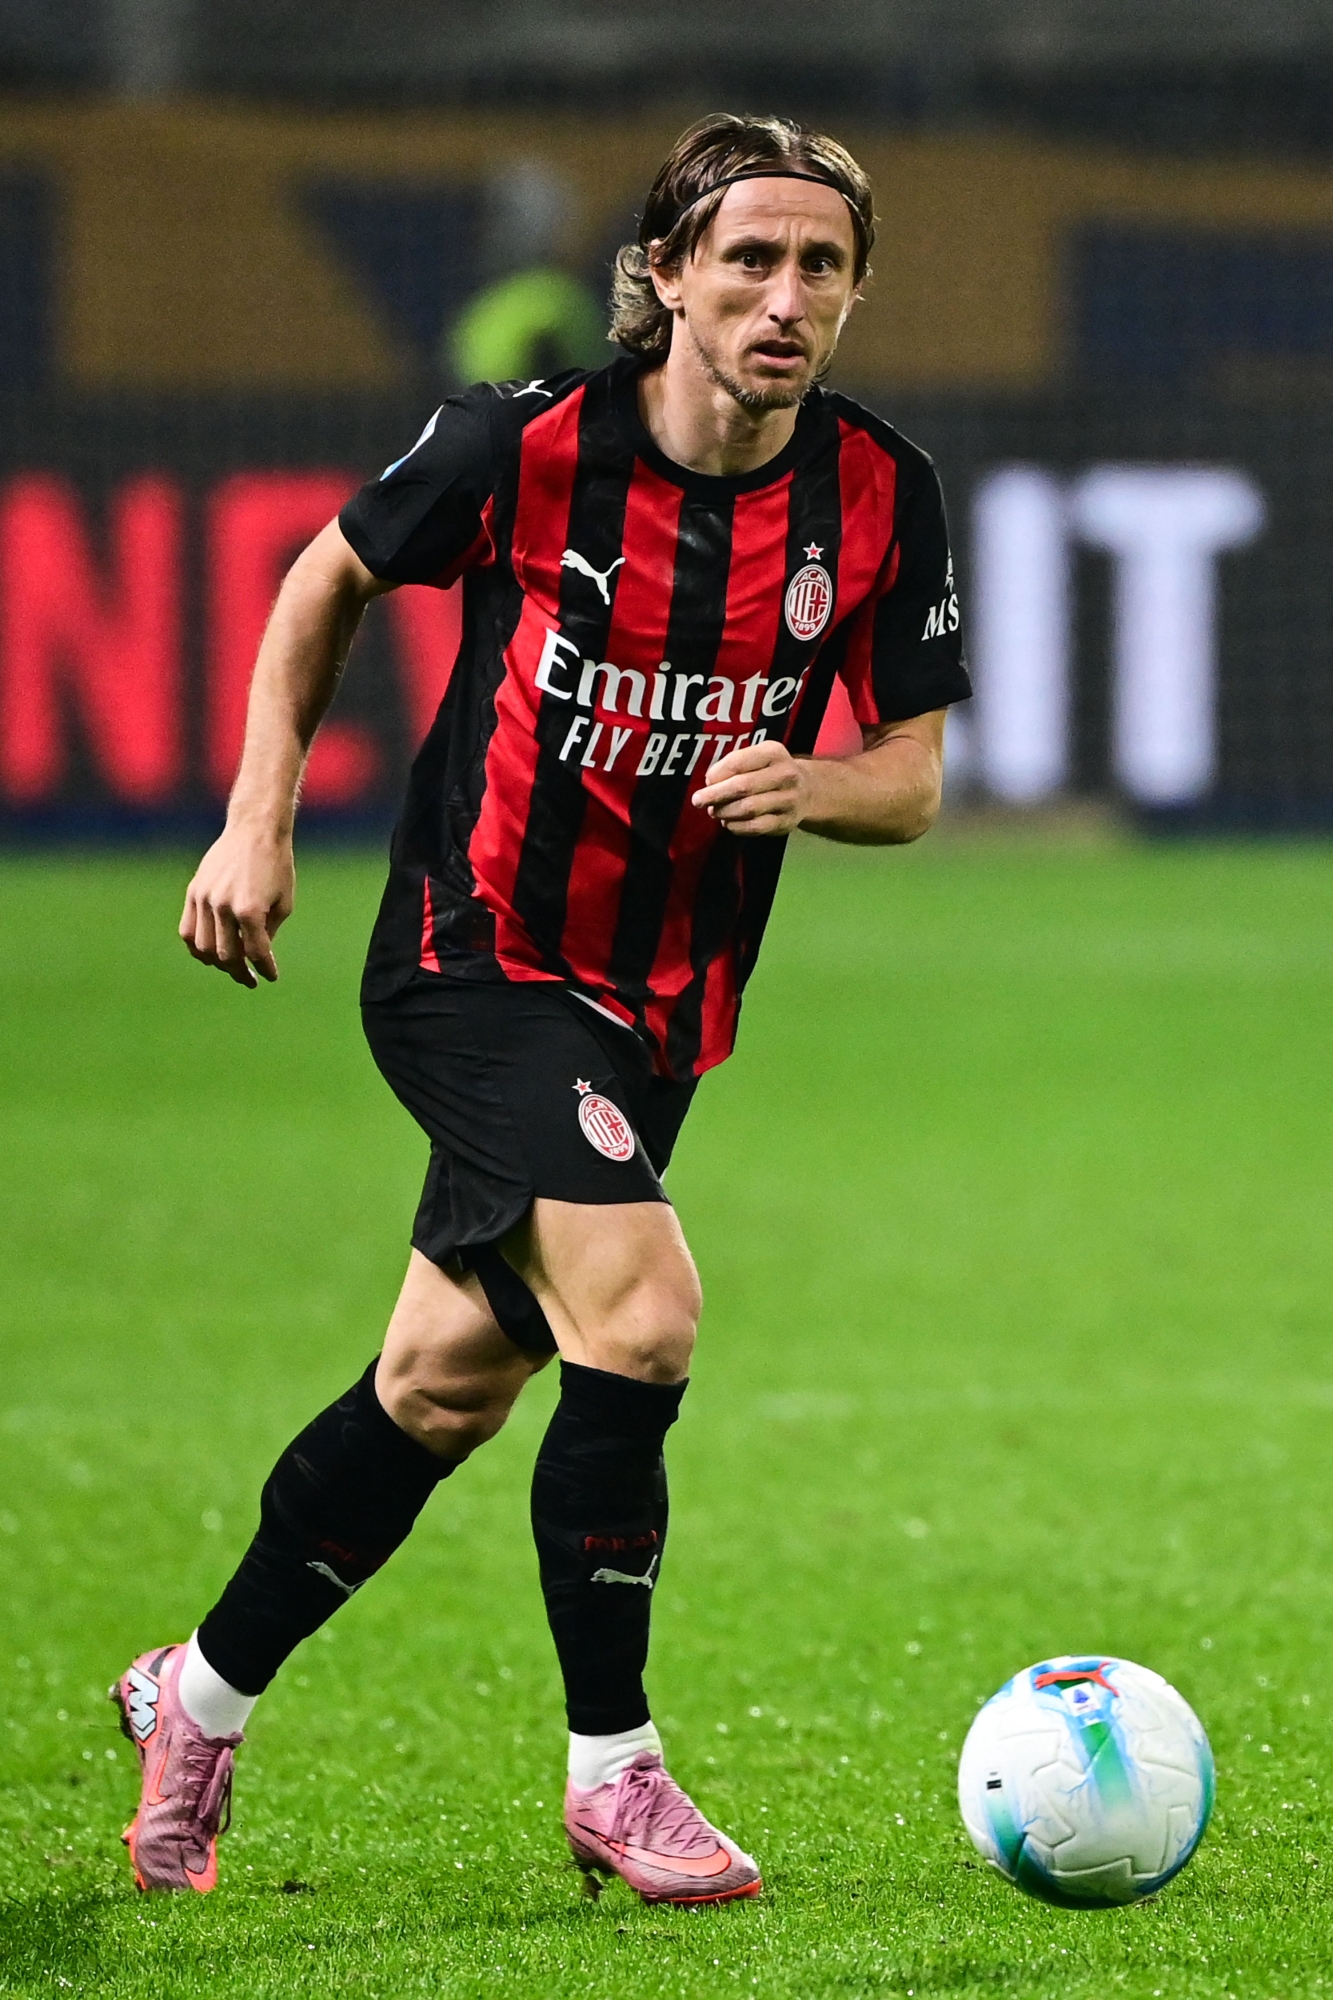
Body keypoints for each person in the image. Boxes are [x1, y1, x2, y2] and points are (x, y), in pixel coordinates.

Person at [112, 111, 969, 1905]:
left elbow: (910, 780)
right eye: (747, 258)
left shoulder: (882, 493)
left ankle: (191, 1699)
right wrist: (256, 815)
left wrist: (804, 785)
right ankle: (615, 1774)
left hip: (661, 1011)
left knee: (436, 1386)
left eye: (820, 265)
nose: (784, 295)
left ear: (856, 291)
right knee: (644, 1319)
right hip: (473, 955)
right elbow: (325, 575)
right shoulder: (526, 444)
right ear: (665, 276)